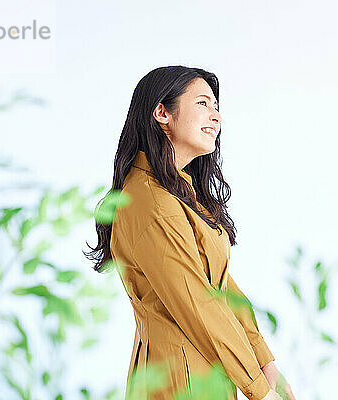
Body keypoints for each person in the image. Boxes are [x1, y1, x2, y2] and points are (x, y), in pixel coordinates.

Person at [85, 66, 296, 400]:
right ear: (162, 113)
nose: (215, 116)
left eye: (216, 107)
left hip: (202, 375)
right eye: (202, 104)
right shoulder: (149, 201)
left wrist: (265, 364)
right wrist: (259, 390)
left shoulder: (178, 191)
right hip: (177, 382)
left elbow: (222, 287)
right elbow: (199, 302)